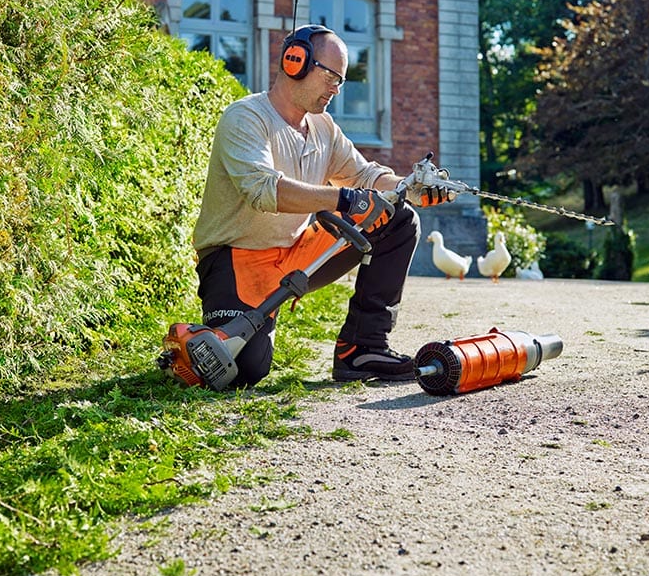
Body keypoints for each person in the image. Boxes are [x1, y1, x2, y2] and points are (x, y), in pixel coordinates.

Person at [192, 24, 453, 387]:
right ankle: (219, 328)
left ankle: (363, 349)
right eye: (330, 75)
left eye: (341, 80)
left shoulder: (323, 128)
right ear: (294, 61)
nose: (336, 88)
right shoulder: (246, 117)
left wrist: (411, 188)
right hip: (236, 259)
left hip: (296, 253)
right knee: (245, 370)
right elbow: (264, 190)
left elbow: (364, 175)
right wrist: (345, 198)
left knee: (397, 217)